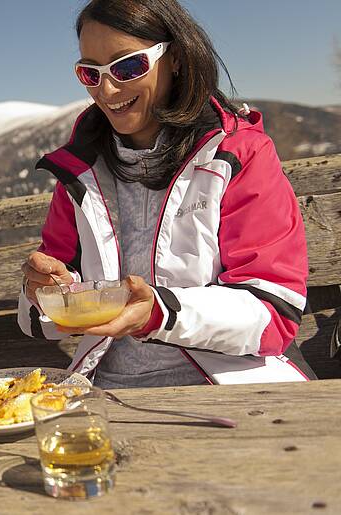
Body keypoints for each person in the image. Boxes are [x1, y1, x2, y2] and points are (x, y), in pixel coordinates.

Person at [18, 0, 315, 387]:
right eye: (90, 73)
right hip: (108, 389)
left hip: (229, 388)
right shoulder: (80, 172)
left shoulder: (236, 154)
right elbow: (40, 318)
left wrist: (159, 312)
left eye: (127, 66)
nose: (107, 89)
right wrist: (43, 293)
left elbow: (273, 311)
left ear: (174, 57)